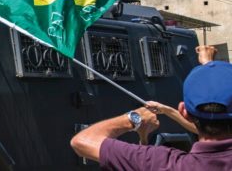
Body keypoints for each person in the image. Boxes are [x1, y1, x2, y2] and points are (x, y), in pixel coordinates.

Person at [70, 45, 232, 170]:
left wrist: (134, 119)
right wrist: (210, 68)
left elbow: (82, 141)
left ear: (184, 111)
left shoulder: (159, 163)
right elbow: (217, 116)